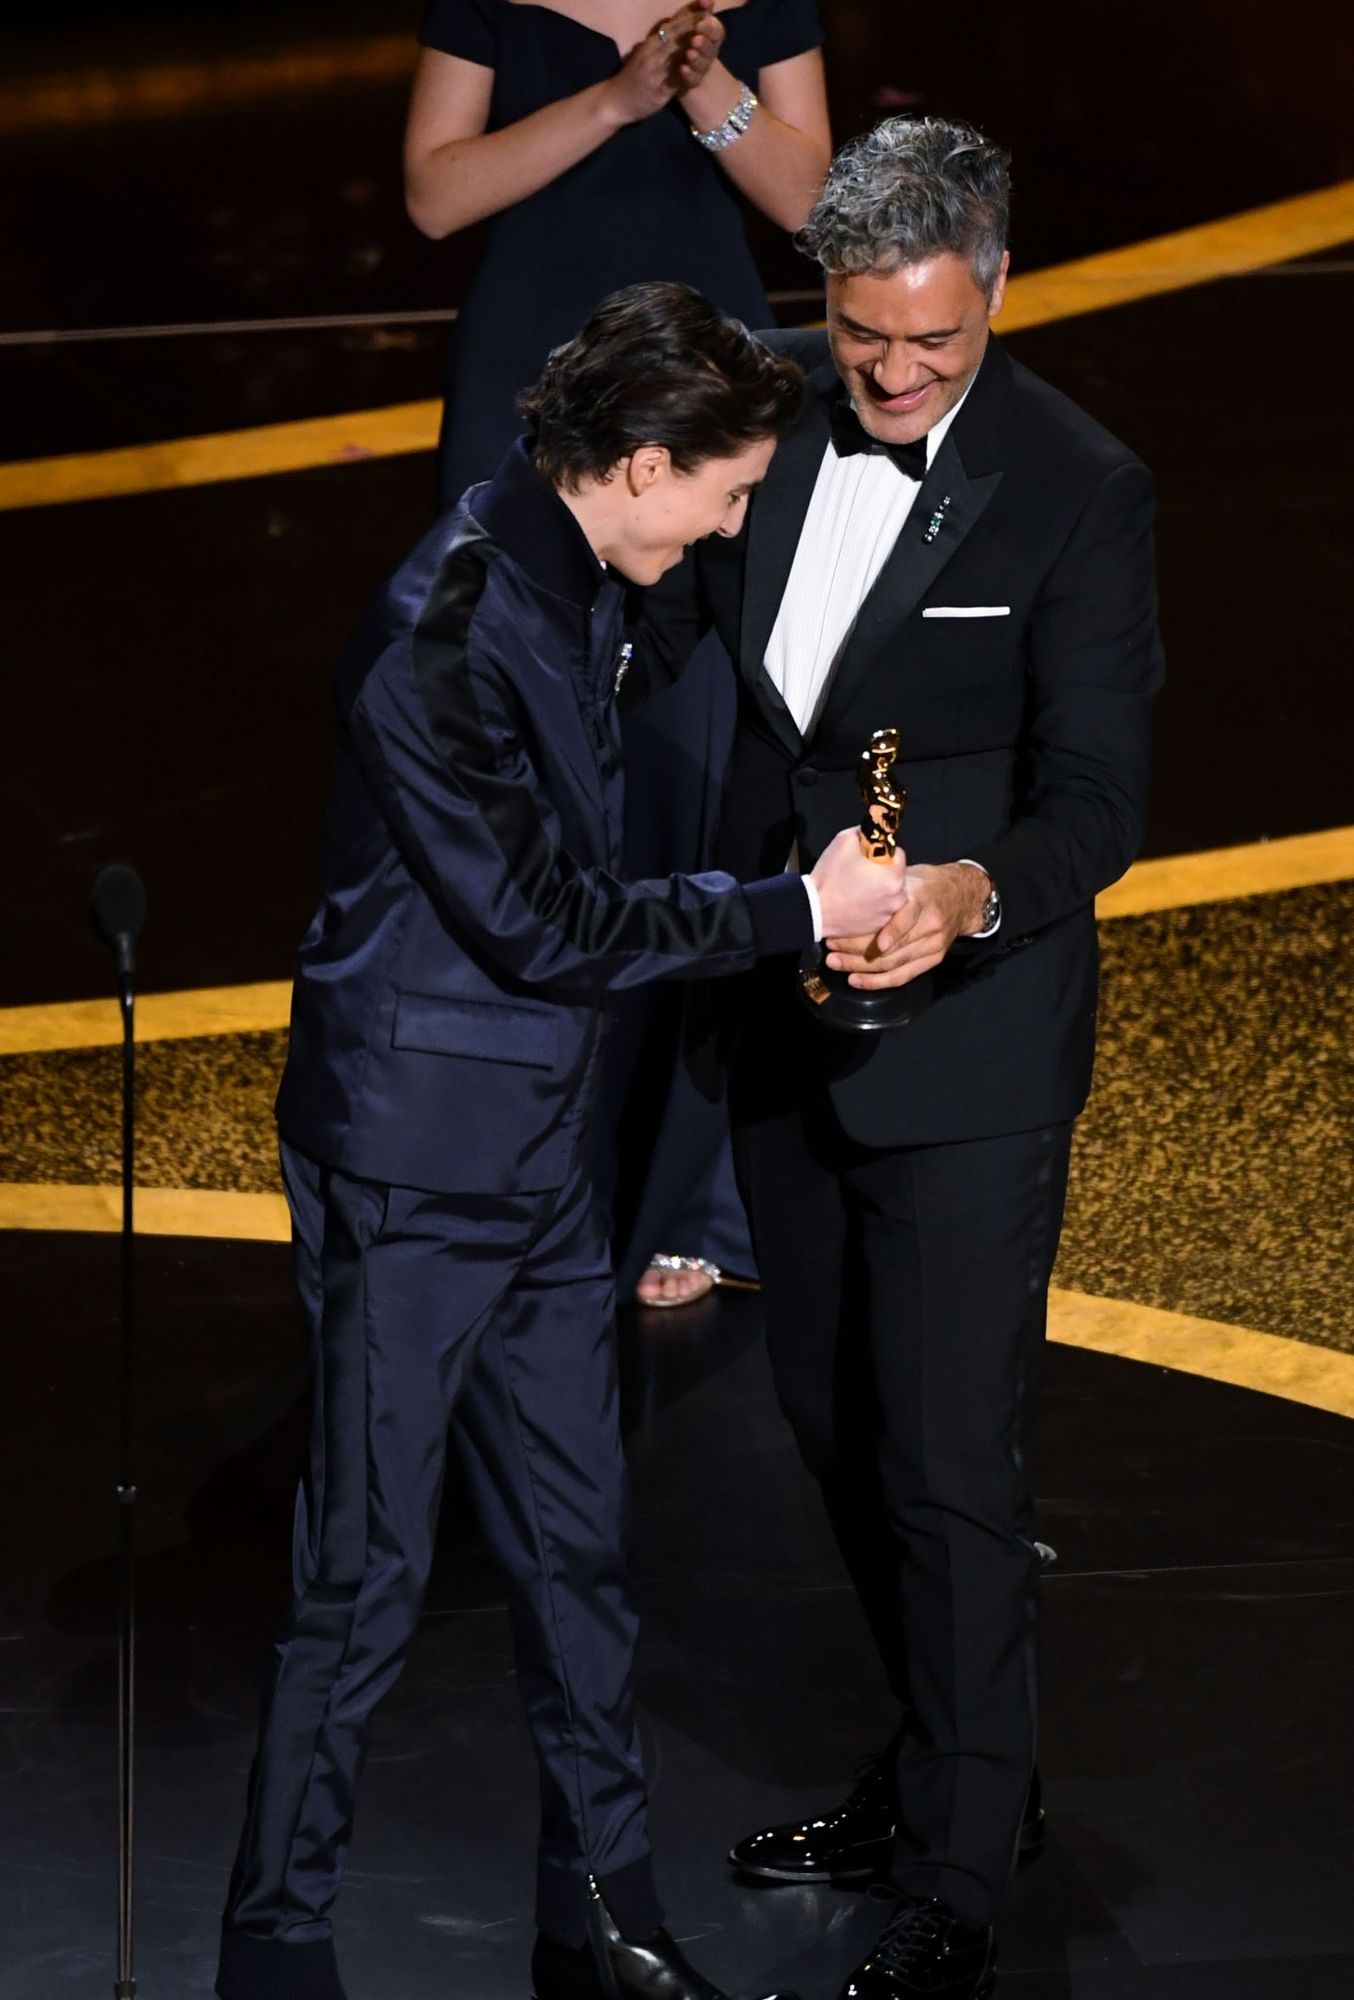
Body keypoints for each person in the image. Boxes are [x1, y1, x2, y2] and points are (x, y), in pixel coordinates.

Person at [214, 283, 913, 2000]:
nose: (737, 523)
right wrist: (788, 909)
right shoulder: (437, 638)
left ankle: (601, 1908)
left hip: (539, 1164)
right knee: (366, 1576)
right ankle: (274, 1948)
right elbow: (546, 918)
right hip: (415, 1156)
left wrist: (852, 366)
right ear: (646, 465)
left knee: (579, 1546)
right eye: (731, 494)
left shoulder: (584, 567)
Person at [629, 119, 1165, 1999]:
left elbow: (1096, 799)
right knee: (834, 1431)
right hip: (787, 1024)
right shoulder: (773, 419)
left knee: (949, 1462)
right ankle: (937, 1759)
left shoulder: (1075, 489)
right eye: (866, 339)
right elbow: (675, 609)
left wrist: (964, 895)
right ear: (824, 303)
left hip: (969, 1038)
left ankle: (965, 1846)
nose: (898, 374)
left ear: (994, 288)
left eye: (931, 340)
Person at [403, 0, 831, 1307]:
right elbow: (434, 194)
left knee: (693, 774)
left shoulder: (756, 10)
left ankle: (684, 1189)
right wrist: (612, 99)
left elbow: (824, 209)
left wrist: (709, 97)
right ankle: (500, 1141)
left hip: (708, 406)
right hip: (527, 388)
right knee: (509, 761)